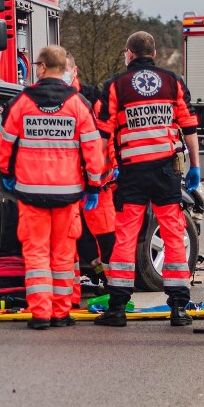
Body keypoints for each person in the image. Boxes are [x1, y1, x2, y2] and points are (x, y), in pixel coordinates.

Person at [0, 45, 105, 330]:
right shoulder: (79, 104)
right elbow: (93, 151)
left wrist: (7, 174)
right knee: (64, 256)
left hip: (31, 194)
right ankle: (60, 312)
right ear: (65, 69)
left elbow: (2, 146)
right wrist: (94, 185)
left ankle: (41, 314)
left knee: (37, 255)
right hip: (68, 194)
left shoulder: (22, 102)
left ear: (41, 67)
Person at [94, 31, 201, 327]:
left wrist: (95, 174)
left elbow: (103, 135)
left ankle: (117, 307)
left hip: (132, 172)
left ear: (130, 53)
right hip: (166, 170)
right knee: (172, 232)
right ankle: (179, 307)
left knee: (126, 234)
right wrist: (195, 166)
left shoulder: (116, 85)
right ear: (153, 53)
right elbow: (189, 126)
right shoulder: (172, 82)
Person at [65, 51, 117, 296]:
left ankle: (112, 286)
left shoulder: (92, 98)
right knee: (76, 240)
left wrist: (106, 171)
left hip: (98, 182)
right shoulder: (48, 98)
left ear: (74, 71)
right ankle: (72, 295)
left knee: (106, 237)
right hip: (67, 182)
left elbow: (107, 137)